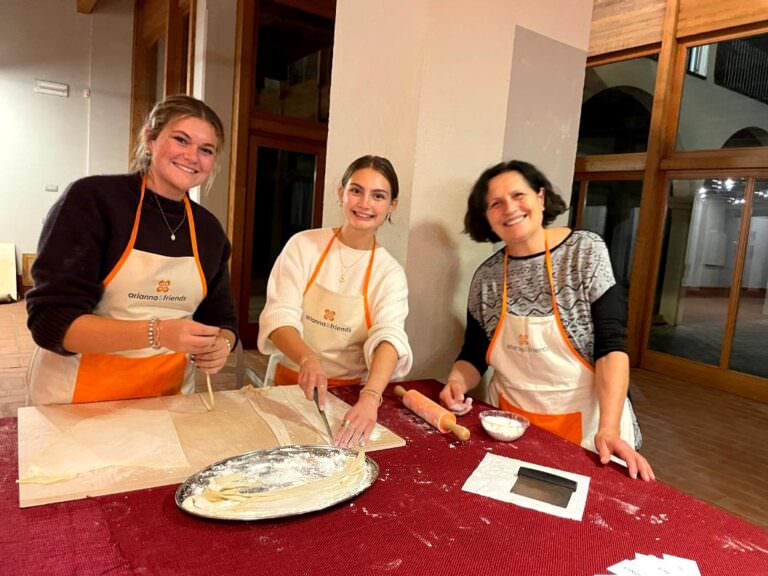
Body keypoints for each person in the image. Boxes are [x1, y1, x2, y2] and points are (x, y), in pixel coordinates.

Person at [439, 160, 654, 481]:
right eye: (495, 204)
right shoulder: (488, 277)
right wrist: (456, 382)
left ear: (540, 197)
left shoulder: (585, 252)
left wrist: (609, 429)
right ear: (487, 218)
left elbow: (611, 346)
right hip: (511, 426)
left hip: (591, 427)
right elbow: (473, 355)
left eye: (518, 195)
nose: (509, 208)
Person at [26, 95, 238, 405]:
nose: (193, 156)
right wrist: (157, 334)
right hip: (77, 400)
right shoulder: (94, 200)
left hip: (168, 398)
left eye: (206, 150)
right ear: (150, 139)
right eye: (181, 140)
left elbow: (222, 319)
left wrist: (222, 344)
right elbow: (51, 322)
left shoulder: (208, 229)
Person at [258, 155, 412, 448]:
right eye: (356, 190)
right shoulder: (303, 246)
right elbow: (278, 317)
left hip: (348, 398)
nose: (365, 203)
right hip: (286, 386)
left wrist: (370, 397)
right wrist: (307, 357)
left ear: (392, 205)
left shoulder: (389, 273)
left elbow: (389, 337)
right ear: (341, 193)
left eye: (378, 196)